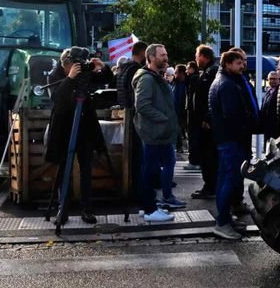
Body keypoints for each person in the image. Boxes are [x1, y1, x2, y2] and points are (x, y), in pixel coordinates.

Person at [44, 48, 109, 225]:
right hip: (64, 128)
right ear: (65, 64)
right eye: (74, 64)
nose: (78, 67)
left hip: (85, 126)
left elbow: (106, 79)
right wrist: (70, 78)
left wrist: (103, 68)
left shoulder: (84, 72)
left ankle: (87, 209)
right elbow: (57, 97)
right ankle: (63, 209)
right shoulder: (55, 74)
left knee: (86, 168)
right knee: (63, 169)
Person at [208, 50, 260, 240]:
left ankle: (225, 218)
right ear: (228, 64)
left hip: (227, 138)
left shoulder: (225, 80)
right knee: (229, 179)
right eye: (238, 63)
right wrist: (246, 127)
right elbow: (232, 115)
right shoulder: (227, 84)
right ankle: (222, 222)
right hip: (231, 139)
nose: (242, 66)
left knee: (225, 178)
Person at [132, 44, 182, 221]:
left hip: (160, 133)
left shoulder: (155, 77)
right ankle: (150, 210)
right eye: (162, 55)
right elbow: (142, 105)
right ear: (151, 58)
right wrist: (163, 118)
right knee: (149, 171)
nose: (165, 58)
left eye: (166, 54)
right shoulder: (147, 79)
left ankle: (148, 206)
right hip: (153, 132)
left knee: (154, 168)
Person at [116, 41, 147, 200]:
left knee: (133, 157)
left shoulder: (123, 69)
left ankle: (135, 189)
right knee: (139, 157)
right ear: (142, 53)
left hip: (126, 115)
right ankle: (140, 192)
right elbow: (136, 96)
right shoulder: (136, 70)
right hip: (135, 117)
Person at [190, 45, 218, 199]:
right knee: (206, 156)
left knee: (208, 157)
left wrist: (207, 118)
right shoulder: (208, 71)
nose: (195, 59)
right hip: (203, 122)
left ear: (203, 56)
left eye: (197, 55)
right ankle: (209, 186)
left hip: (207, 124)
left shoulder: (212, 71)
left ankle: (210, 187)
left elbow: (211, 97)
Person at [260, 70, 280, 140]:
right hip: (267, 128)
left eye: (274, 79)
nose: (272, 81)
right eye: (270, 79)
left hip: (276, 129)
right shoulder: (267, 92)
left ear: (279, 80)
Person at [173, 64, 188, 156]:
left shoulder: (187, 84)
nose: (175, 74)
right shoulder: (176, 83)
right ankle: (179, 147)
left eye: (176, 72)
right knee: (177, 130)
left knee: (185, 131)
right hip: (176, 111)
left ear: (181, 73)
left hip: (184, 111)